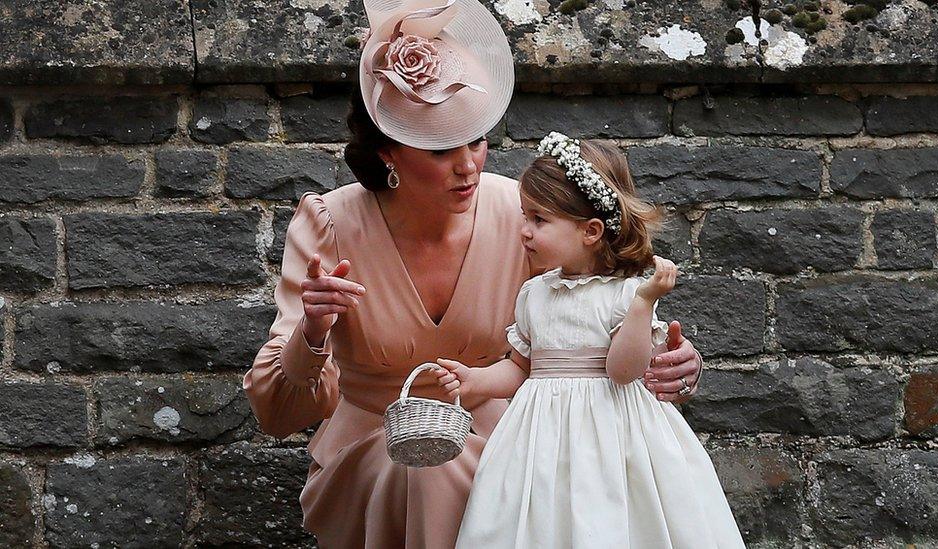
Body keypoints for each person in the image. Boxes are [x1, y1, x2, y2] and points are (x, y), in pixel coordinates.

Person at [242, 0, 706, 546]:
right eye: (441, 149)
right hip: (373, 449)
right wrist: (312, 333)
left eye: (477, 140)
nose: (468, 164)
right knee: (427, 468)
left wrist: (671, 359)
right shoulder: (330, 224)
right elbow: (276, 410)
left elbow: (599, 307)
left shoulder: (526, 218)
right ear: (389, 150)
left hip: (514, 441)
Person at [436, 133, 744, 548]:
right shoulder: (534, 294)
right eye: (525, 217)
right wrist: (476, 380)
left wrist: (644, 303)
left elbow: (623, 371)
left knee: (611, 522)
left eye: (539, 220)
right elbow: (521, 367)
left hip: (614, 437)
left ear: (591, 230)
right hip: (539, 442)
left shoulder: (625, 295)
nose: (524, 231)